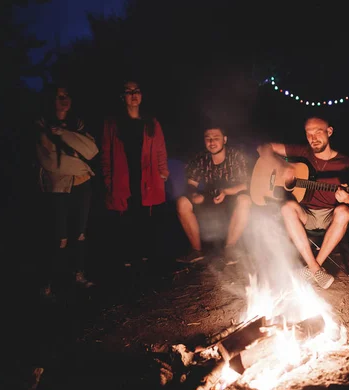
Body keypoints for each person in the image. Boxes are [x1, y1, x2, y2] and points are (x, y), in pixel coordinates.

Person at [257, 116, 349, 289]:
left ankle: (313, 267)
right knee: (287, 207)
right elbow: (263, 147)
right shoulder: (303, 153)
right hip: (307, 213)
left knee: (344, 211)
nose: (313, 138)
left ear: (329, 132)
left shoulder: (346, 164)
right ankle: (315, 269)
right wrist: (281, 166)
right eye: (308, 134)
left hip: (331, 216)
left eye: (318, 132)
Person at [35, 85, 99, 298]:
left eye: (66, 96)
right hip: (57, 186)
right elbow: (50, 159)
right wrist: (76, 153)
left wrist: (64, 134)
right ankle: (50, 281)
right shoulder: (42, 124)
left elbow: (91, 151)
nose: (63, 100)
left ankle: (78, 276)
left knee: (79, 234)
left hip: (81, 183)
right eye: (59, 97)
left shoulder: (77, 123)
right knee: (59, 237)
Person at [101, 80, 169, 267]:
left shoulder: (150, 122)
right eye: (129, 91)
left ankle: (146, 254)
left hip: (147, 175)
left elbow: (160, 149)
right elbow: (106, 152)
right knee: (125, 214)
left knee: (146, 213)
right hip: (124, 175)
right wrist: (108, 179)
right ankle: (128, 256)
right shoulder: (113, 123)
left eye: (137, 91)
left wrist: (163, 171)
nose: (133, 95)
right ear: (122, 97)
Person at [175, 126, 252, 266]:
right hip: (210, 196)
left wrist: (226, 191)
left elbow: (248, 184)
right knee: (182, 202)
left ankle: (230, 248)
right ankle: (196, 251)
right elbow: (191, 184)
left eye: (216, 138)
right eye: (208, 139)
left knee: (245, 200)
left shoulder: (236, 156)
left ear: (224, 140)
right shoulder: (200, 158)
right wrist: (193, 195)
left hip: (231, 195)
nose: (212, 142)